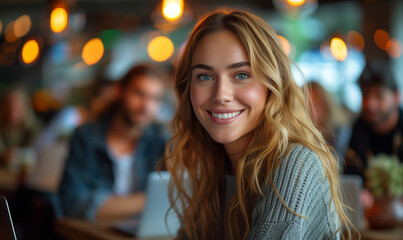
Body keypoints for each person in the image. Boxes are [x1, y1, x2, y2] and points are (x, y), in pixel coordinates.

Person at [159, 9, 353, 240]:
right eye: (204, 76)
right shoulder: (214, 166)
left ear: (273, 84)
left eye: (241, 75)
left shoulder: (296, 163)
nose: (221, 94)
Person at [58, 64, 169, 220]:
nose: (146, 106)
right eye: (139, 93)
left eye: (155, 99)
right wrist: (148, 201)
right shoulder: (86, 137)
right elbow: (73, 203)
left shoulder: (161, 140)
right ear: (119, 91)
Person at [305, 81, 353, 160]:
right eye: (306, 103)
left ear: (326, 105)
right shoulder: (300, 137)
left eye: (314, 103)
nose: (310, 109)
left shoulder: (340, 134)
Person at [0, 88, 41, 167]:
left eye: (16, 108)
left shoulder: (34, 127)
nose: (12, 112)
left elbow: (36, 152)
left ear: (25, 108)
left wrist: (16, 155)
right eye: (9, 108)